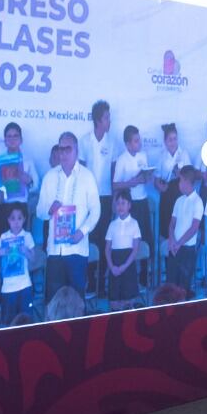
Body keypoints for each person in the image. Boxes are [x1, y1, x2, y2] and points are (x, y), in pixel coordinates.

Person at [37, 132, 101, 299]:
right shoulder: (49, 177)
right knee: (55, 301)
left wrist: (82, 231)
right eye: (61, 149)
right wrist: (49, 210)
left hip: (77, 248)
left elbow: (96, 210)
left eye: (68, 149)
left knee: (77, 301)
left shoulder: (87, 176)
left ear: (76, 151)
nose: (63, 153)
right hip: (55, 250)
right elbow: (39, 212)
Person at [79, 100, 121, 293]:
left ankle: (102, 283)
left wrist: (114, 197)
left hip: (105, 197)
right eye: (106, 117)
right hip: (87, 199)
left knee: (105, 240)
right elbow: (79, 170)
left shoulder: (112, 142)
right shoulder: (84, 141)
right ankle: (89, 281)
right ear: (97, 120)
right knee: (89, 239)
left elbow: (113, 172)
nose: (109, 120)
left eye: (109, 117)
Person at [112, 124, 155, 287]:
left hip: (143, 201)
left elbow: (147, 179)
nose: (139, 144)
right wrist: (131, 182)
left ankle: (145, 276)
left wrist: (148, 177)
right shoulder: (122, 159)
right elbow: (115, 185)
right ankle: (130, 278)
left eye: (139, 140)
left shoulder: (143, 155)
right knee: (130, 241)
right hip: (129, 206)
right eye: (136, 141)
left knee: (147, 239)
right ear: (128, 144)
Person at [0, 122, 38, 238]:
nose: (12, 139)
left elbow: (37, 185)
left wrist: (29, 181)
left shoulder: (28, 160)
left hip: (21, 207)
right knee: (2, 243)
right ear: (5, 140)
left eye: (15, 136)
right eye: (9, 136)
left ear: (21, 140)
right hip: (3, 207)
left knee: (21, 246)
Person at [0, 205, 40, 326]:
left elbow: (34, 259)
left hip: (25, 285)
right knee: (9, 323)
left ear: (24, 219)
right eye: (13, 218)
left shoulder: (27, 236)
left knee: (26, 321)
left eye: (19, 218)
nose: (16, 222)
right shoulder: (4, 237)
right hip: (8, 288)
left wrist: (25, 251)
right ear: (8, 220)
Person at [165, 165, 204, 292]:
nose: (179, 184)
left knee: (183, 288)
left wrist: (179, 243)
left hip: (187, 250)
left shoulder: (197, 202)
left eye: (180, 180)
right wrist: (172, 241)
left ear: (187, 181)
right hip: (174, 248)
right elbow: (171, 224)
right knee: (171, 285)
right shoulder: (179, 200)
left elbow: (194, 228)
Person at [105, 192, 146, 309]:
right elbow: (107, 249)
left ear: (129, 205)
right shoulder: (112, 225)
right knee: (114, 303)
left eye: (123, 203)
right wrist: (112, 266)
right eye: (118, 204)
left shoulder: (134, 224)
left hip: (128, 265)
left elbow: (135, 249)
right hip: (114, 265)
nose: (120, 206)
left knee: (128, 303)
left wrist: (124, 266)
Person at [153, 123, 190, 242]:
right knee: (166, 232)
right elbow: (156, 179)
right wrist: (160, 186)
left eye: (175, 139)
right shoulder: (162, 156)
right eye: (170, 140)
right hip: (166, 196)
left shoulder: (184, 154)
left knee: (180, 230)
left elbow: (191, 178)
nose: (173, 142)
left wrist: (180, 175)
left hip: (181, 196)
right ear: (165, 141)